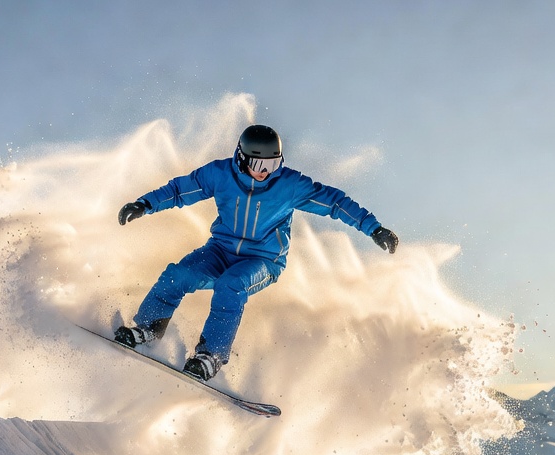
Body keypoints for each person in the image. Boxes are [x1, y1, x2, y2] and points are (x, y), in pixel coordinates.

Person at [115, 124, 398, 381]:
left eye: (273, 163)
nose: (265, 170)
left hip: (263, 259)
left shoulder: (290, 185)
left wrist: (374, 228)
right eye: (258, 162)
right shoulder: (220, 174)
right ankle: (149, 328)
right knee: (178, 275)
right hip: (220, 250)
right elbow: (180, 191)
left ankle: (210, 355)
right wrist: (145, 204)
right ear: (241, 157)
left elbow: (335, 203)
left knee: (231, 285)